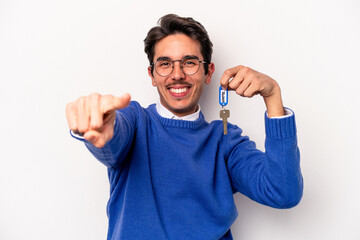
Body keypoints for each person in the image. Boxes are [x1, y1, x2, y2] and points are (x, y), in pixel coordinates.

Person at [66, 14, 303, 240]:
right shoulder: (136, 121)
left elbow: (283, 191)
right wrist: (101, 125)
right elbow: (113, 134)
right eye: (165, 64)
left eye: (189, 63)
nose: (177, 75)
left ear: (208, 72)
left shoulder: (224, 139)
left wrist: (272, 96)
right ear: (152, 75)